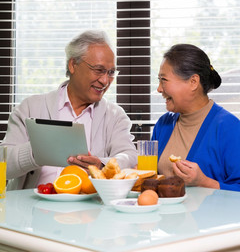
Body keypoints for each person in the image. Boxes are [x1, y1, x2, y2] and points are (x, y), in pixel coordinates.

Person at [2, 30, 137, 190]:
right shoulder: (30, 107)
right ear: (73, 65)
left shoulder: (115, 116)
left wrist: (102, 165)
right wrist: (36, 151)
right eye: (99, 70)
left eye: (111, 73)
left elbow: (130, 157)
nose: (105, 80)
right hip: (31, 208)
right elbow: (3, 165)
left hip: (91, 210)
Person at [152, 43, 240, 191]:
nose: (159, 88)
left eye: (164, 80)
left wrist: (203, 182)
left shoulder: (230, 128)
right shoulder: (163, 124)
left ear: (193, 82)